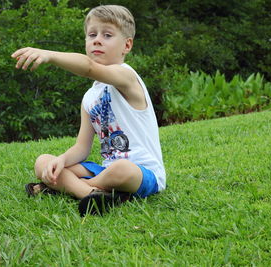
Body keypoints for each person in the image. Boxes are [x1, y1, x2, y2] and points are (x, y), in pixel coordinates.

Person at [12, 5, 166, 216]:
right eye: (92, 34)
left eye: (107, 35)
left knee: (122, 169)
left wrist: (50, 55)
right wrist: (62, 161)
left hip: (142, 173)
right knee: (44, 163)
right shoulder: (89, 98)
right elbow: (81, 148)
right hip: (105, 170)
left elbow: (89, 68)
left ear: (127, 45)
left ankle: (70, 188)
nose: (97, 40)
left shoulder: (127, 77)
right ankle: (93, 193)